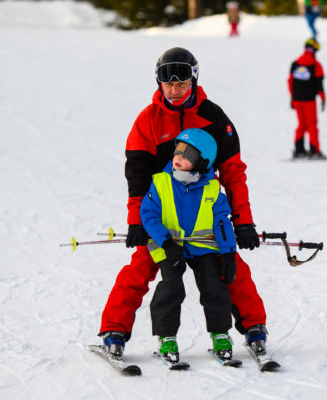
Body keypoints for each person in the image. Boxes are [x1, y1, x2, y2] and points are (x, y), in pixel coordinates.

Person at [99, 47, 268, 359]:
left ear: (194, 79)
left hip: (203, 220)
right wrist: (137, 221)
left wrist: (242, 222)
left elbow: (233, 173)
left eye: (182, 82)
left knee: (232, 270)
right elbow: (137, 178)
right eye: (168, 84)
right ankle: (114, 330)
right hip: (163, 221)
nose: (175, 90)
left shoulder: (214, 117)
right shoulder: (147, 121)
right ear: (158, 83)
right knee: (140, 268)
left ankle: (255, 327)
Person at [141, 128, 237, 362]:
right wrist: (166, 242)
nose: (178, 157)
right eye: (178, 151)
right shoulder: (161, 182)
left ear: (202, 162)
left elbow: (222, 222)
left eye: (187, 154)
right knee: (171, 287)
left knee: (214, 286)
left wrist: (228, 253)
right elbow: (148, 215)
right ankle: (166, 337)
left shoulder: (212, 189)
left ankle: (220, 334)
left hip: (202, 247)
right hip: (169, 247)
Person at [288, 38, 326, 158]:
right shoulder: (316, 65)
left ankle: (299, 150)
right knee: (312, 125)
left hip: (297, 99)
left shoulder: (295, 63)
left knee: (301, 125)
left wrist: (292, 97)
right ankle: (314, 150)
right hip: (309, 100)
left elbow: (290, 81)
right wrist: (323, 98)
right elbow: (320, 85)